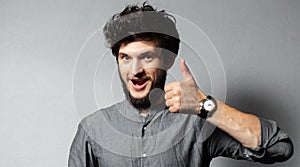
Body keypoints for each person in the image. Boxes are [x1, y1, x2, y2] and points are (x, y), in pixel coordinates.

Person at [68, 2, 293, 167]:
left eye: (147, 57)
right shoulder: (92, 130)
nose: (135, 70)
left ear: (168, 59)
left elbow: (279, 147)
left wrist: (205, 105)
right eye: (125, 57)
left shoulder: (196, 123)